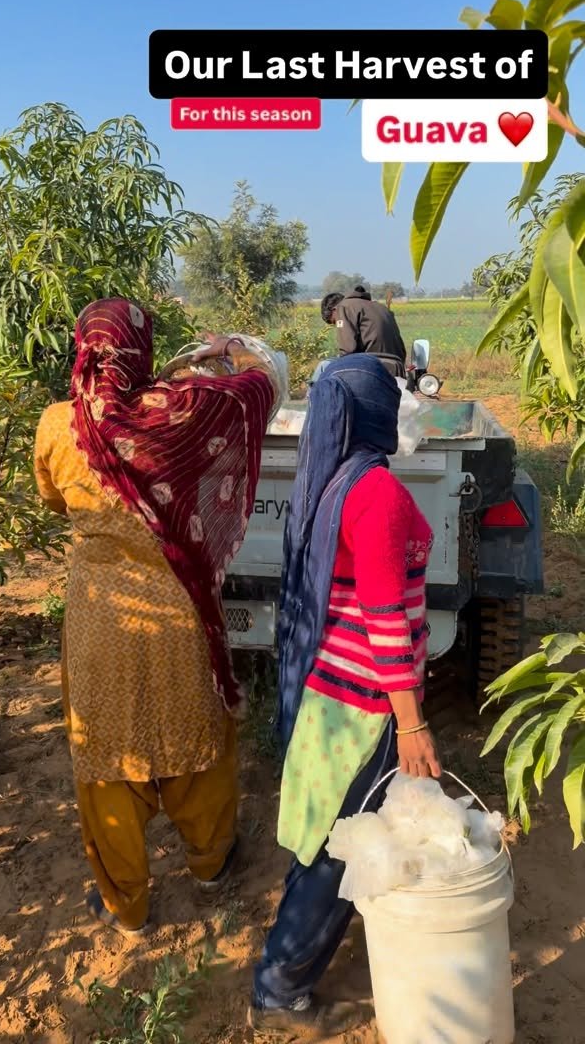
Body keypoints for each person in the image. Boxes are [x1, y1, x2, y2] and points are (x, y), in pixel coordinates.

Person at [34, 298, 284, 940]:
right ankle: (209, 866)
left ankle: (127, 907)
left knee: (107, 758)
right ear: (142, 352)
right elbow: (267, 381)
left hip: (99, 617)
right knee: (195, 740)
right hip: (178, 612)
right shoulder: (183, 416)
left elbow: (54, 497)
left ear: (82, 349)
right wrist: (224, 350)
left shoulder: (58, 425)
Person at [250, 354, 441, 1038]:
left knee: (325, 837)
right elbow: (386, 617)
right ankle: (281, 984)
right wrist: (412, 724)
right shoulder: (378, 493)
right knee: (341, 849)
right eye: (390, 398)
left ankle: (285, 964)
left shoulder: (332, 480)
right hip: (364, 701)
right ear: (371, 414)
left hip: (332, 687)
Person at [321, 286, 407, 377]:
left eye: (335, 322)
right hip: (397, 368)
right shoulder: (381, 307)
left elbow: (347, 350)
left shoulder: (343, 307)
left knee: (323, 367)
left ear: (334, 310)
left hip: (372, 368)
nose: (337, 326)